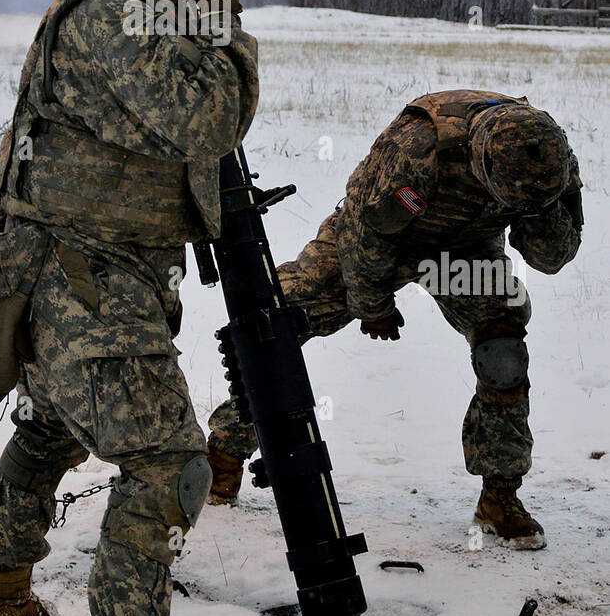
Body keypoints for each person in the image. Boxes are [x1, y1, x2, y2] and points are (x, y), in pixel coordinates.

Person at [0, 0, 291, 616]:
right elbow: (207, 120)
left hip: (62, 278)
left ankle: (2, 603)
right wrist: (225, 28)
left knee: (48, 431)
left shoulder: (140, 7)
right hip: (78, 282)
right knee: (166, 467)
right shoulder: (121, 15)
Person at [207, 90, 583, 549]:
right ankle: (224, 451)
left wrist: (539, 213)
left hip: (463, 254)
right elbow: (365, 238)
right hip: (375, 240)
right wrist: (374, 307)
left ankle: (499, 497)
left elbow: (551, 258)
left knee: (502, 353)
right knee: (276, 324)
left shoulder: (547, 159)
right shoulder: (419, 149)